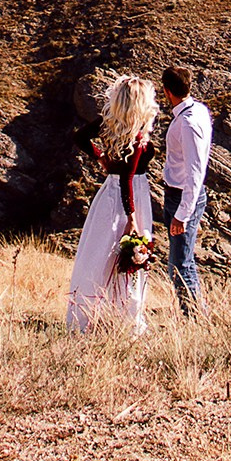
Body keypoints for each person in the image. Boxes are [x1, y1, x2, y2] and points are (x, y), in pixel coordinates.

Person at [65, 74, 158, 335]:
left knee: (100, 252)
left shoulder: (109, 124)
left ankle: (89, 314)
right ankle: (124, 318)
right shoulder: (136, 136)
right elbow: (128, 178)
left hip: (109, 192)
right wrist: (132, 217)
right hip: (132, 195)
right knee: (129, 255)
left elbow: (80, 137)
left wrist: (100, 157)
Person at [159, 66, 211, 318]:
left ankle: (194, 316)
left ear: (167, 91)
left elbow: (195, 172)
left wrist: (182, 214)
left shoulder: (188, 123)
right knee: (181, 259)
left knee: (180, 263)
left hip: (182, 197)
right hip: (177, 195)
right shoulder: (198, 110)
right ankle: (194, 312)